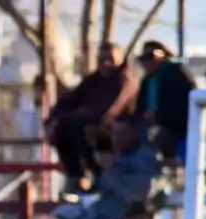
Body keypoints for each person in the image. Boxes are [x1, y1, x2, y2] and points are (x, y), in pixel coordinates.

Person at [51, 118, 162, 219]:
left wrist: (112, 169)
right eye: (114, 132)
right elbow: (99, 187)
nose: (117, 137)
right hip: (97, 214)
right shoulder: (113, 156)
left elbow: (138, 193)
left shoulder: (143, 157)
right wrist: (84, 182)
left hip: (122, 218)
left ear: (134, 133)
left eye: (122, 132)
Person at [45, 43, 140, 191]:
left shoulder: (124, 79)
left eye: (110, 59)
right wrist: (55, 119)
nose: (105, 63)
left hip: (116, 130)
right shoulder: (93, 80)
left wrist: (80, 115)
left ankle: (98, 176)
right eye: (101, 59)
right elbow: (70, 99)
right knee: (63, 129)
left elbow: (111, 108)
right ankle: (76, 177)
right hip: (90, 128)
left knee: (78, 126)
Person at [133, 41, 195, 163]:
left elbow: (185, 107)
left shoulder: (177, 75)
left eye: (151, 56)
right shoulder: (146, 81)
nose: (147, 62)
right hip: (149, 127)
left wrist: (159, 116)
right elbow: (139, 108)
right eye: (144, 58)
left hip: (175, 129)